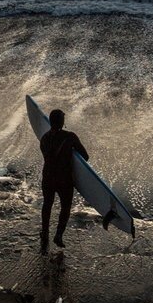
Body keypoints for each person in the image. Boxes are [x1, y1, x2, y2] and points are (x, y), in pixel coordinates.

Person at [39, 108, 88, 255]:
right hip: (64, 178)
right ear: (62, 121)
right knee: (65, 207)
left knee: (47, 204)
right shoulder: (70, 137)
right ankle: (59, 235)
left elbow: (47, 156)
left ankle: (45, 232)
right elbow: (85, 156)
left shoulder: (44, 138)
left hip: (48, 176)